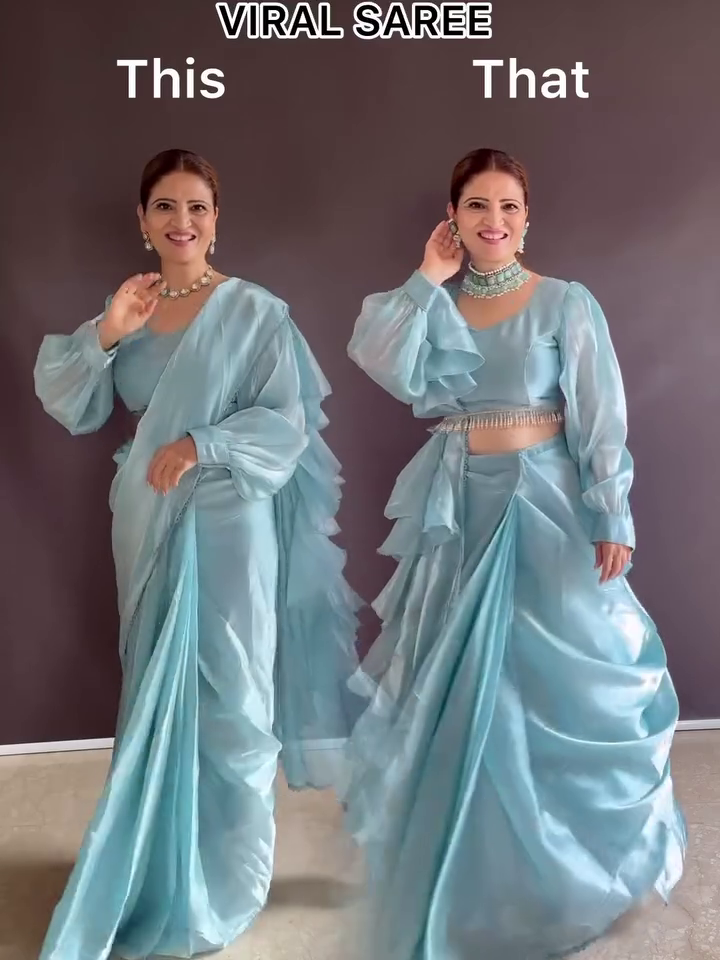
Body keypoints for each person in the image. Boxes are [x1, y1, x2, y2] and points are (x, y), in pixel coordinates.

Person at [342, 147, 687, 960]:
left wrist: (612, 510)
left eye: (506, 206)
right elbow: (376, 354)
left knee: (553, 682)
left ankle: (573, 863)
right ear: (452, 218)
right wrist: (426, 277)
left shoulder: (566, 301)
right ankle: (477, 858)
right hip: (459, 505)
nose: (492, 220)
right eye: (475, 206)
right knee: (470, 687)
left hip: (547, 504)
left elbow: (600, 411)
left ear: (527, 219)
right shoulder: (435, 304)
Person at [33, 148, 362, 960]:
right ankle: (150, 865)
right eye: (166, 207)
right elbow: (75, 405)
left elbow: (286, 422)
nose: (182, 222)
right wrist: (109, 333)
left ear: (217, 220)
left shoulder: (254, 312)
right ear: (142, 222)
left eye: (197, 207)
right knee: (156, 690)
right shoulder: (130, 307)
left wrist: (200, 442)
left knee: (233, 695)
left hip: (231, 524)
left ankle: (224, 876)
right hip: (147, 522)